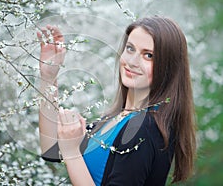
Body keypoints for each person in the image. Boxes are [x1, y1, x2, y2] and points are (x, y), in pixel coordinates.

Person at [37, 16, 196, 185]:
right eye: (130, 49)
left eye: (148, 55)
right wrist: (48, 77)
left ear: (168, 67)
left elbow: (69, 153)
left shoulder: (146, 128)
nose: (132, 62)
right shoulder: (115, 119)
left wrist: (72, 153)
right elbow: (51, 149)